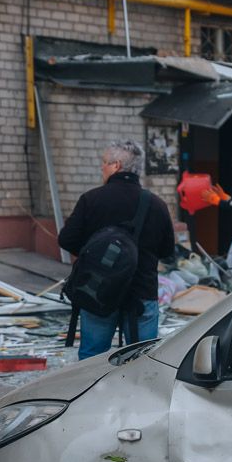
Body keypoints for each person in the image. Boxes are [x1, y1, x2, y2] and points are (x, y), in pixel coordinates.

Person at [59, 140, 175, 360]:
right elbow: (167, 250)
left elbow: (66, 239)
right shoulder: (156, 204)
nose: (101, 167)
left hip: (98, 291)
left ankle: (93, 395)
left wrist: (93, 257)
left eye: (104, 162)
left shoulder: (92, 199)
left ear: (116, 165)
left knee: (92, 361)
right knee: (143, 361)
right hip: (142, 294)